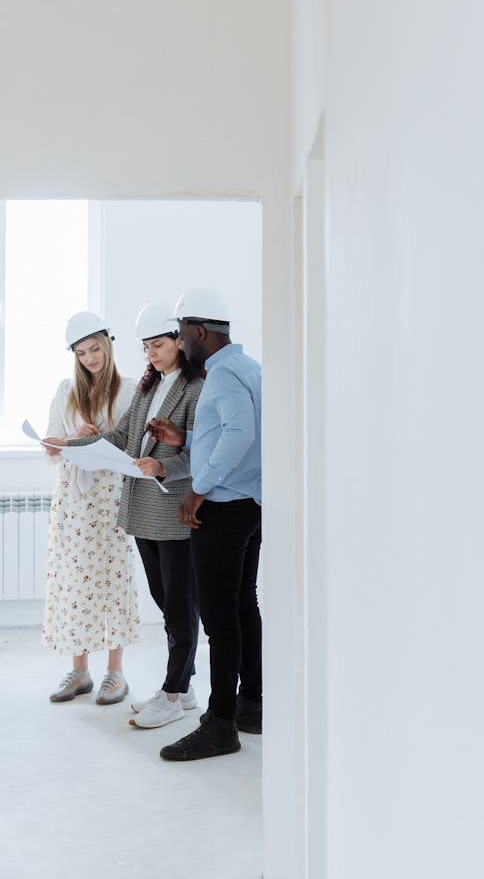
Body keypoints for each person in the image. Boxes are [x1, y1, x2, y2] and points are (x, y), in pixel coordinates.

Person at [57, 302, 205, 729]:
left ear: (179, 342)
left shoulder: (196, 388)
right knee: (165, 602)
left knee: (180, 606)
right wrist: (71, 445)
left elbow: (203, 452)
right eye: (146, 348)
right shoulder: (145, 388)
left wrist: (163, 466)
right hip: (142, 511)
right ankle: (187, 687)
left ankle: (173, 692)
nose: (152, 354)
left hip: (175, 509)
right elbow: (121, 438)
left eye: (158, 345)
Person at [147, 286, 262, 762]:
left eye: (179, 333)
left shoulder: (222, 374)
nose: (178, 341)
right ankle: (252, 704)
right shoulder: (248, 368)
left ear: (197, 331)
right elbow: (232, 430)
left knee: (218, 618)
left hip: (223, 508)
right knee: (242, 607)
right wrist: (185, 435)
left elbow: (240, 434)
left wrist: (197, 489)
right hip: (250, 505)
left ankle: (218, 724)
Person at [42, 311, 139, 705]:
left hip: (111, 495)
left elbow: (133, 444)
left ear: (108, 344)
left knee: (112, 579)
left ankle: (115, 673)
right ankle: (79, 671)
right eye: (82, 353)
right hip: (73, 500)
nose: (89, 358)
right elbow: (50, 445)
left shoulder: (128, 389)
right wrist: (72, 437)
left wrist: (98, 440)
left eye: (94, 348)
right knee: (73, 581)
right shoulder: (67, 389)